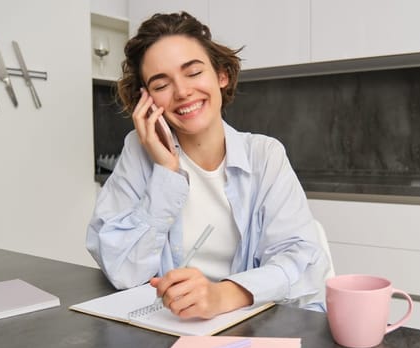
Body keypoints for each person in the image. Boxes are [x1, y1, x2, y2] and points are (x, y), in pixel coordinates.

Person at [86, 12, 331, 320]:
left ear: (221, 75)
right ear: (146, 100)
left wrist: (225, 294)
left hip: (252, 326)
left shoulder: (264, 155)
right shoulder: (138, 152)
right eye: (161, 84)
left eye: (193, 72)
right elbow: (121, 270)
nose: (183, 92)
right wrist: (166, 173)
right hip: (170, 328)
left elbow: (304, 262)